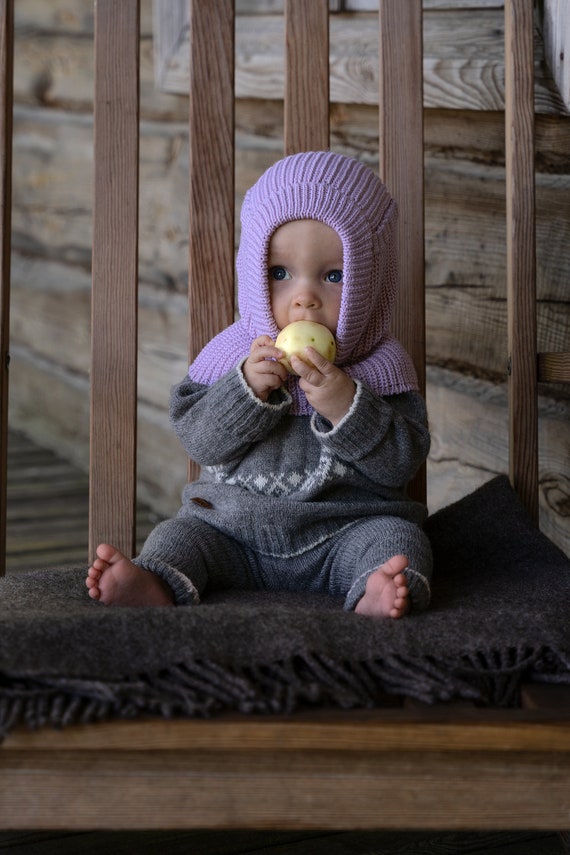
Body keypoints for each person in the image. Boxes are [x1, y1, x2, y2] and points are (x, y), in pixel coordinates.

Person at [86, 151, 432, 618]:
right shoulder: (233, 354)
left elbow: (401, 465)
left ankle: (379, 589)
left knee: (399, 541)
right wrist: (244, 390)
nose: (304, 298)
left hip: (343, 531)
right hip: (232, 533)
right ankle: (155, 580)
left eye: (333, 276)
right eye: (279, 274)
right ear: (252, 273)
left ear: (370, 282)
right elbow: (200, 441)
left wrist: (347, 405)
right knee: (181, 534)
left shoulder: (382, 364)